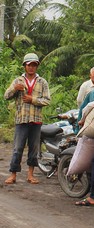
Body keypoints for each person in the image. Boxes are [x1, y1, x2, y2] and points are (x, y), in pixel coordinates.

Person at [4, 53, 51, 185]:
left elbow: (47, 100)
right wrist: (14, 89)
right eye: (29, 65)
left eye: (34, 65)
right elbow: (6, 96)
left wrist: (33, 100)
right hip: (21, 119)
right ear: (24, 66)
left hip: (35, 120)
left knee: (34, 148)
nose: (31, 67)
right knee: (17, 148)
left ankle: (30, 175)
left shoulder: (42, 82)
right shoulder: (18, 81)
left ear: (37, 66)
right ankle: (13, 174)